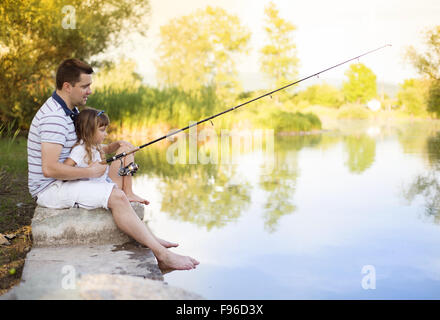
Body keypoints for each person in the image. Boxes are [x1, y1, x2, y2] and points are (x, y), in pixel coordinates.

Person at [27, 58, 199, 270]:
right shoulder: (54, 117)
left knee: (124, 153)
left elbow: (84, 145)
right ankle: (162, 254)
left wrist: (113, 147)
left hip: (71, 176)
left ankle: (149, 236)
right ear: (67, 86)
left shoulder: (70, 111)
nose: (89, 90)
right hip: (51, 187)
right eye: (85, 86)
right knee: (116, 196)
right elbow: (50, 169)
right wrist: (90, 172)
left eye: (90, 85)